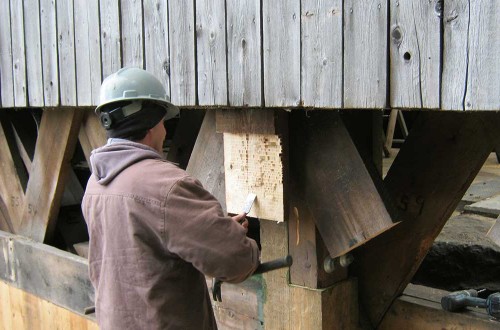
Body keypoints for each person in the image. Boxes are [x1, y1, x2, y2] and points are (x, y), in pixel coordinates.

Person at [81, 67, 260, 329]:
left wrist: (216, 231)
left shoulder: (95, 184)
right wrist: (239, 243)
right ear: (152, 123)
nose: (165, 130)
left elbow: (145, 244)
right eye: (164, 122)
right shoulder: (167, 187)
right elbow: (235, 261)